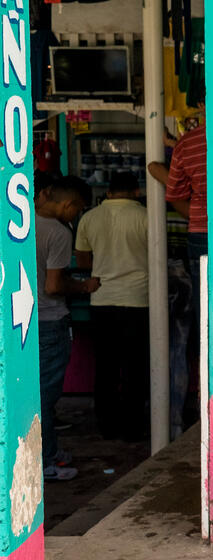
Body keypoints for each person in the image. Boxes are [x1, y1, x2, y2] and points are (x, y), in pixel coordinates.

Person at [74, 171, 149, 441]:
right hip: (138, 300)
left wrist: (102, 268)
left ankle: (106, 426)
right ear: (137, 192)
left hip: (102, 300)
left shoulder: (89, 218)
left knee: (106, 367)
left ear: (108, 192)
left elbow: (82, 261)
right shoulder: (146, 217)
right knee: (136, 367)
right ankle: (133, 428)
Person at [35, 176, 99, 481]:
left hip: (22, 321)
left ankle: (49, 450)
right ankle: (45, 461)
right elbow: (53, 285)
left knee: (31, 394)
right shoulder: (58, 233)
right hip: (49, 323)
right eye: (78, 210)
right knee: (45, 397)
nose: (76, 216)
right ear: (69, 205)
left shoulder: (19, 222)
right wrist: (84, 286)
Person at [147, 110, 205, 438]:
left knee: (202, 326)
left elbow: (175, 194)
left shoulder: (189, 142)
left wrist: (155, 168)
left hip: (202, 235)